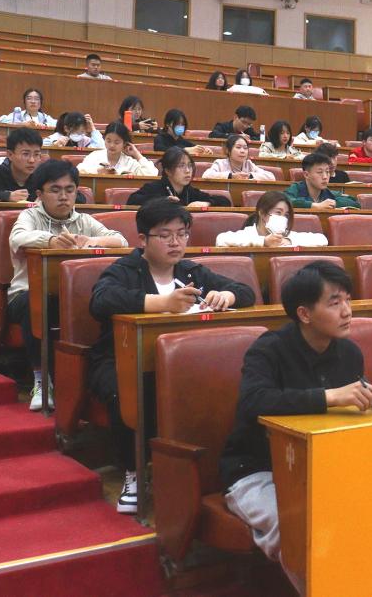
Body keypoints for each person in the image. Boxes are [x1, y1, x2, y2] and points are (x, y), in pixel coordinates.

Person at [90, 199, 256, 513]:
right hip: (121, 359)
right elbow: (101, 301)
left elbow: (245, 291)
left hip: (182, 362)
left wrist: (227, 295)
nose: (175, 242)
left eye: (182, 234)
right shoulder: (124, 270)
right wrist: (161, 303)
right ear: (143, 239)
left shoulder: (191, 271)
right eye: (165, 235)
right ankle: (134, 471)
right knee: (130, 390)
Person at [219, 262, 372, 583]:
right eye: (334, 303)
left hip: (320, 467)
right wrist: (328, 397)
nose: (347, 311)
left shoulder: (350, 353)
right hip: (257, 470)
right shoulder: (268, 350)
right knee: (297, 528)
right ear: (304, 314)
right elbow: (254, 402)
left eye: (348, 300)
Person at [7, 160, 126, 410]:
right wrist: (50, 240)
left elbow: (120, 240)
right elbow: (18, 238)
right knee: (36, 303)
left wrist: (92, 241)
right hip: (24, 294)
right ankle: (41, 379)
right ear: (39, 194)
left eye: (69, 190)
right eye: (55, 190)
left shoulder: (83, 220)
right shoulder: (29, 215)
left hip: (71, 296)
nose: (63, 196)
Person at [127, 147, 231, 209]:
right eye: (181, 166)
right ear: (168, 170)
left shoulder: (190, 191)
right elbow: (132, 201)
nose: (188, 170)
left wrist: (207, 203)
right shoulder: (154, 187)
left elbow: (225, 202)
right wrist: (163, 201)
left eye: (190, 166)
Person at [215, 191, 328, 247]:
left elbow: (322, 239)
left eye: (286, 215)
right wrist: (263, 242)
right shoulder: (247, 234)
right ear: (262, 213)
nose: (283, 218)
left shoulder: (286, 235)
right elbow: (221, 239)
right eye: (278, 212)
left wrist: (288, 241)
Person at [76, 122, 158, 177]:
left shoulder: (129, 161)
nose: (112, 145)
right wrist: (97, 171)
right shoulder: (95, 155)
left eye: (117, 142)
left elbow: (152, 173)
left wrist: (137, 154)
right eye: (108, 141)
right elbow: (79, 171)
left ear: (124, 143)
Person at [284, 152, 360, 210]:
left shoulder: (328, 193)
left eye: (327, 172)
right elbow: (285, 200)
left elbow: (355, 203)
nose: (325, 177)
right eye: (320, 172)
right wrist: (315, 205)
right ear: (306, 175)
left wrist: (334, 203)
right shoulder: (296, 188)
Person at [202, 134, 275, 181]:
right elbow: (206, 175)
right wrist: (231, 176)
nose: (242, 151)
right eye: (238, 147)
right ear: (228, 150)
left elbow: (271, 177)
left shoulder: (249, 164)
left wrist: (250, 175)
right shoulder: (220, 163)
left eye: (245, 148)